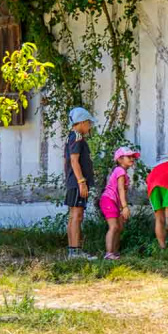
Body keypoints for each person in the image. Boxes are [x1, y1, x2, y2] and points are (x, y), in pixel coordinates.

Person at [63, 107, 96, 259]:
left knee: (73, 215)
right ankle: (75, 251)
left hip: (73, 182)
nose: (90, 126)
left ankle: (73, 250)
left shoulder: (71, 136)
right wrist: (81, 182)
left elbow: (69, 161)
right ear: (82, 122)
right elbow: (74, 160)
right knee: (77, 215)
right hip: (77, 183)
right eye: (89, 123)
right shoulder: (77, 137)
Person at [99, 147, 138, 260]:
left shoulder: (124, 173)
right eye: (129, 156)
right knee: (114, 226)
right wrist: (125, 207)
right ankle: (109, 253)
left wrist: (122, 208)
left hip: (115, 202)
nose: (132, 158)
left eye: (133, 157)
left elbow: (123, 192)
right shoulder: (120, 170)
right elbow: (120, 189)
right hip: (108, 200)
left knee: (120, 227)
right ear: (120, 159)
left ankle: (115, 252)